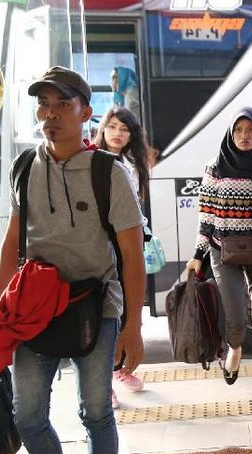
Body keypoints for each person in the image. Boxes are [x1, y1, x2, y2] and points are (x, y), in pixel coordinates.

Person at [0, 66, 145, 454]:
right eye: (42, 105)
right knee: (26, 414)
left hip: (96, 305)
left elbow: (131, 253)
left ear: (84, 112)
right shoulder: (25, 166)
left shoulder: (108, 172)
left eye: (61, 105)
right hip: (34, 306)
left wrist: (132, 327)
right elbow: (13, 241)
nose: (49, 115)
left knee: (95, 412)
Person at [184, 107, 252, 402]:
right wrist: (197, 254)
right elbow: (206, 215)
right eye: (239, 130)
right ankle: (235, 348)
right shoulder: (215, 168)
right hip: (222, 249)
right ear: (231, 134)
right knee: (235, 314)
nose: (244, 136)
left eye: (250, 130)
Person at [95, 106, 156, 405]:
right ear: (103, 129)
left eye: (125, 129)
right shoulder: (92, 162)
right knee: (105, 312)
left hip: (128, 245)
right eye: (113, 127)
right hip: (101, 247)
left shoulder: (133, 165)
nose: (118, 134)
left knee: (126, 309)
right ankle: (104, 380)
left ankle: (120, 369)